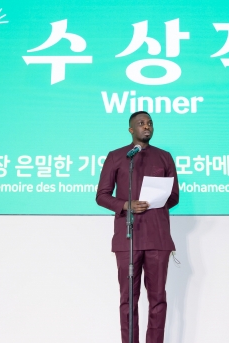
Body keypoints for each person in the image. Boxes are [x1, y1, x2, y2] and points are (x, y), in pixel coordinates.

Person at [96, 111, 180, 343]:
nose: (147, 127)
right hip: (128, 238)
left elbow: (174, 197)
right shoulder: (117, 157)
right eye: (141, 124)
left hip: (158, 238)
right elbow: (102, 196)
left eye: (150, 123)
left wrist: (156, 201)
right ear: (131, 130)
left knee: (158, 299)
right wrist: (125, 204)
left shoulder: (164, 157)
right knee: (128, 300)